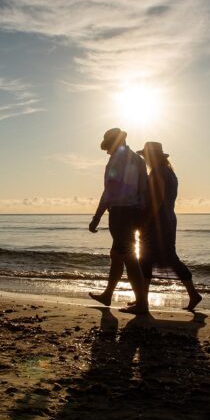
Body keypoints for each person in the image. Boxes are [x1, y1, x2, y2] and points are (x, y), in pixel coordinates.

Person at [88, 128, 149, 314]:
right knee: (117, 254)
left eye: (108, 147)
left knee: (129, 257)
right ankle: (108, 294)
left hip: (121, 212)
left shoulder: (116, 159)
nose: (107, 151)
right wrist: (142, 212)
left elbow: (109, 191)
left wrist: (97, 216)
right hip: (135, 211)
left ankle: (141, 304)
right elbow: (144, 188)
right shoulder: (138, 160)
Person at [137, 141, 202, 311]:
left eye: (146, 156)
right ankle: (142, 300)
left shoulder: (158, 172)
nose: (145, 160)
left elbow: (157, 200)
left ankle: (142, 302)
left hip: (157, 221)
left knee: (147, 258)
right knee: (157, 258)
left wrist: (145, 220)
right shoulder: (170, 173)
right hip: (168, 219)